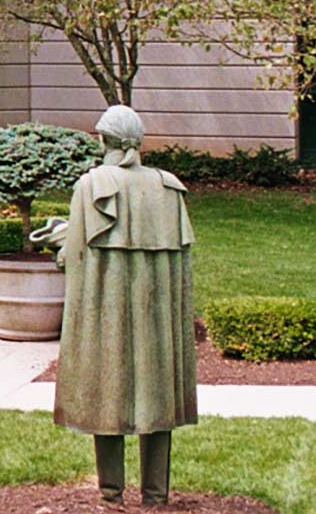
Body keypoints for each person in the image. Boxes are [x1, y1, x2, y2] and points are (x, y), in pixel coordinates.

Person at [50, 105, 197, 506]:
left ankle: (111, 496)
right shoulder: (169, 187)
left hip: (107, 312)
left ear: (103, 140)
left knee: (106, 393)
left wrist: (60, 246)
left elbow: (77, 257)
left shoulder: (92, 185)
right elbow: (180, 264)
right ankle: (155, 496)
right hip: (156, 315)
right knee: (156, 393)